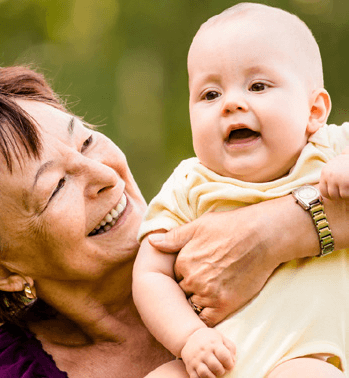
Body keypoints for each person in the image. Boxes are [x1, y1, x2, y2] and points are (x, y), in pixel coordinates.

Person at [0, 56, 347, 378]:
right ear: (1, 272)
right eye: (55, 187)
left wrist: (278, 231)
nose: (104, 176)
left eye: (86, 140)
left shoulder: (236, 182)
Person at [133, 3, 349, 378]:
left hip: (304, 358)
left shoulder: (330, 149)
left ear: (314, 111)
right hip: (214, 362)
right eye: (210, 95)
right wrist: (189, 339)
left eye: (258, 86)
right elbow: (150, 275)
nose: (232, 103)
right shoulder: (189, 184)